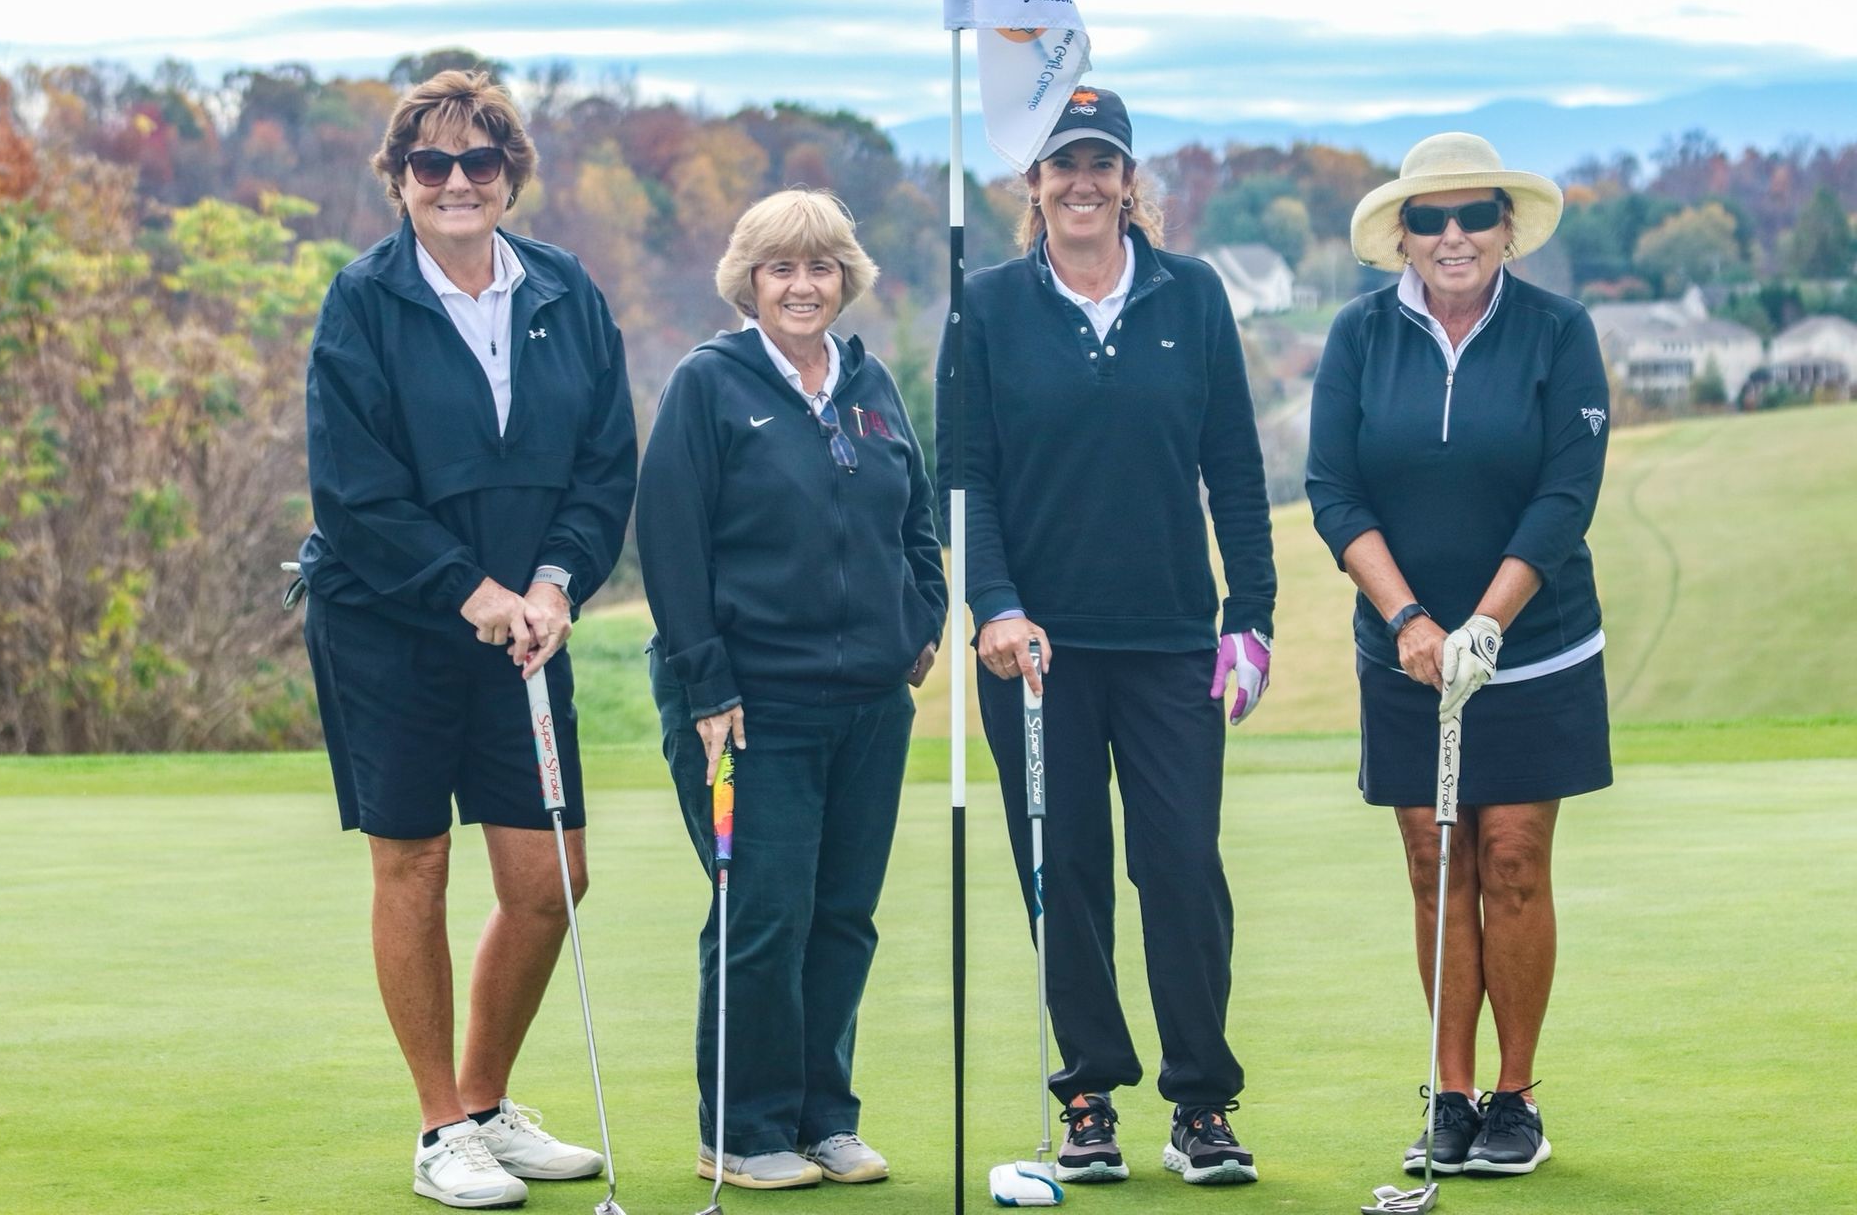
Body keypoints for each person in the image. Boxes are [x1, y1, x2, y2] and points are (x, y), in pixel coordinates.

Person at [296, 70, 638, 1209]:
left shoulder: (564, 290)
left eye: (478, 161)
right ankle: (442, 1125)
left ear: (509, 175)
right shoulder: (363, 299)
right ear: (399, 180)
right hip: (387, 622)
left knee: (552, 877)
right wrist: (468, 589)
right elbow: (353, 488)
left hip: (526, 626)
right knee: (417, 860)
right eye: (430, 163)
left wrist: (552, 583)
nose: (456, 181)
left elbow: (605, 463)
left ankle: (487, 1104)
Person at [939, 86, 1277, 1187]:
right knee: (1066, 869)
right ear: (1032, 182)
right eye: (1062, 164)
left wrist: (1252, 615)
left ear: (1131, 180)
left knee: (1181, 867)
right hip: (1035, 650)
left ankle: (1202, 1102)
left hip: (1172, 636)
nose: (1082, 182)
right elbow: (965, 479)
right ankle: (1088, 1092)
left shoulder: (1194, 293)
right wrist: (993, 605)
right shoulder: (985, 306)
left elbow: (1234, 466)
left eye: (1101, 163)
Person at [1308, 131, 1613, 1178]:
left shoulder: (1558, 331)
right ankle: (1448, 1092)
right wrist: (1410, 621)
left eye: (1474, 214)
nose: (1453, 235)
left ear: (1505, 227)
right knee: (1435, 863)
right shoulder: (1359, 335)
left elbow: (1566, 491)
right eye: (1429, 218)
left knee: (1513, 858)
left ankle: (1514, 1099)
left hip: (1536, 646)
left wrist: (1486, 620)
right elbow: (1333, 490)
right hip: (1406, 652)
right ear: (1401, 234)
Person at [639, 188, 945, 1191]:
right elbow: (671, 542)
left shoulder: (870, 383)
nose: (803, 285)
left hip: (868, 706)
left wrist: (923, 618)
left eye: (821, 266)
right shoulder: (709, 385)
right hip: (748, 705)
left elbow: (915, 520)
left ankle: (823, 1119)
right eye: (782, 268)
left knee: (844, 914)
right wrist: (706, 683)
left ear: (845, 277)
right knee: (764, 916)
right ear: (750, 281)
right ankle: (741, 1129)